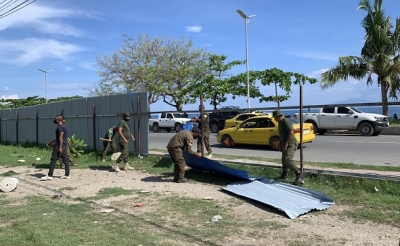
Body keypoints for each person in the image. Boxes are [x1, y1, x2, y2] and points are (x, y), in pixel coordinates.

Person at [272, 110, 304, 185]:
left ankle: (299, 174)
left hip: (291, 143)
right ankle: (284, 174)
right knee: (283, 160)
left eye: (275, 118)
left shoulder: (286, 121)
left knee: (288, 159)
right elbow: (282, 134)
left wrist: (286, 143)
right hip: (284, 143)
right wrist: (281, 144)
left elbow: (291, 132)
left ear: (279, 116)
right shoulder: (280, 123)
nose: (274, 119)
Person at [42, 115, 70, 180]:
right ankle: (67, 174)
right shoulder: (64, 126)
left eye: (55, 119)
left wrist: (60, 147)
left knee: (53, 160)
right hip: (64, 145)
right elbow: (60, 137)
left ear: (58, 120)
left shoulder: (60, 127)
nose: (54, 120)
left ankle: (50, 175)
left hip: (59, 145)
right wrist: (52, 142)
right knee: (65, 160)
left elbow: (61, 137)